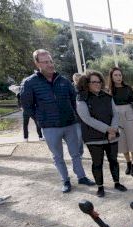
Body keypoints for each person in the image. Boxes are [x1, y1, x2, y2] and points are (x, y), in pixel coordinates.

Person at [21, 49, 94, 193]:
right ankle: (65, 181)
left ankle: (81, 177)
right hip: (50, 127)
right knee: (57, 156)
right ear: (37, 64)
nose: (50, 64)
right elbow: (27, 106)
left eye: (51, 61)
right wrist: (40, 119)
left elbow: (73, 100)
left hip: (70, 124)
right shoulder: (29, 83)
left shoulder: (63, 80)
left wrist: (75, 117)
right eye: (45, 62)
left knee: (76, 153)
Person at [76, 70, 127, 198]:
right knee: (97, 163)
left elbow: (115, 114)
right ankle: (100, 187)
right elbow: (87, 119)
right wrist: (107, 129)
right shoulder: (82, 99)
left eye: (99, 82)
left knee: (113, 160)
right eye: (93, 82)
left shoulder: (107, 97)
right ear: (87, 83)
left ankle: (117, 182)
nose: (97, 84)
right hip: (93, 138)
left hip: (112, 137)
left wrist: (113, 130)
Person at [108, 67, 133, 176]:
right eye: (116, 75)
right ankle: (128, 163)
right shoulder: (109, 90)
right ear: (112, 77)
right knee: (122, 141)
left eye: (120, 75)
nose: (118, 77)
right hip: (116, 117)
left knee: (132, 140)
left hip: (130, 116)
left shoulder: (128, 88)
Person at [72, 73, 85, 156]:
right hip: (76, 117)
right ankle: (80, 152)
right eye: (76, 79)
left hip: (85, 115)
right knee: (79, 136)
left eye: (78, 79)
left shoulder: (85, 87)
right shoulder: (70, 88)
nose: (77, 80)